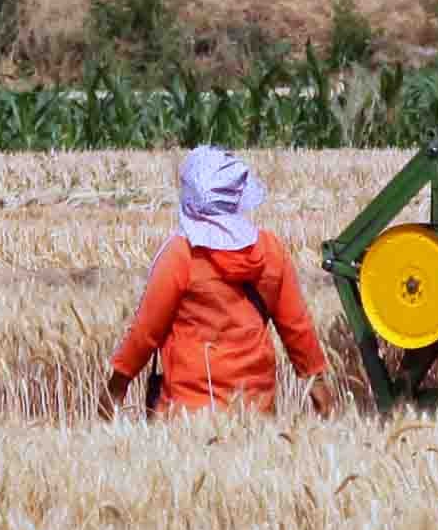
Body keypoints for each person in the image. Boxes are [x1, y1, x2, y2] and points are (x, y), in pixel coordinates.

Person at [98, 146, 338, 417]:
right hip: (256, 411)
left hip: (187, 414)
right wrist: (315, 380)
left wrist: (116, 387)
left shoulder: (182, 254)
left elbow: (145, 331)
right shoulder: (271, 250)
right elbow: (297, 326)